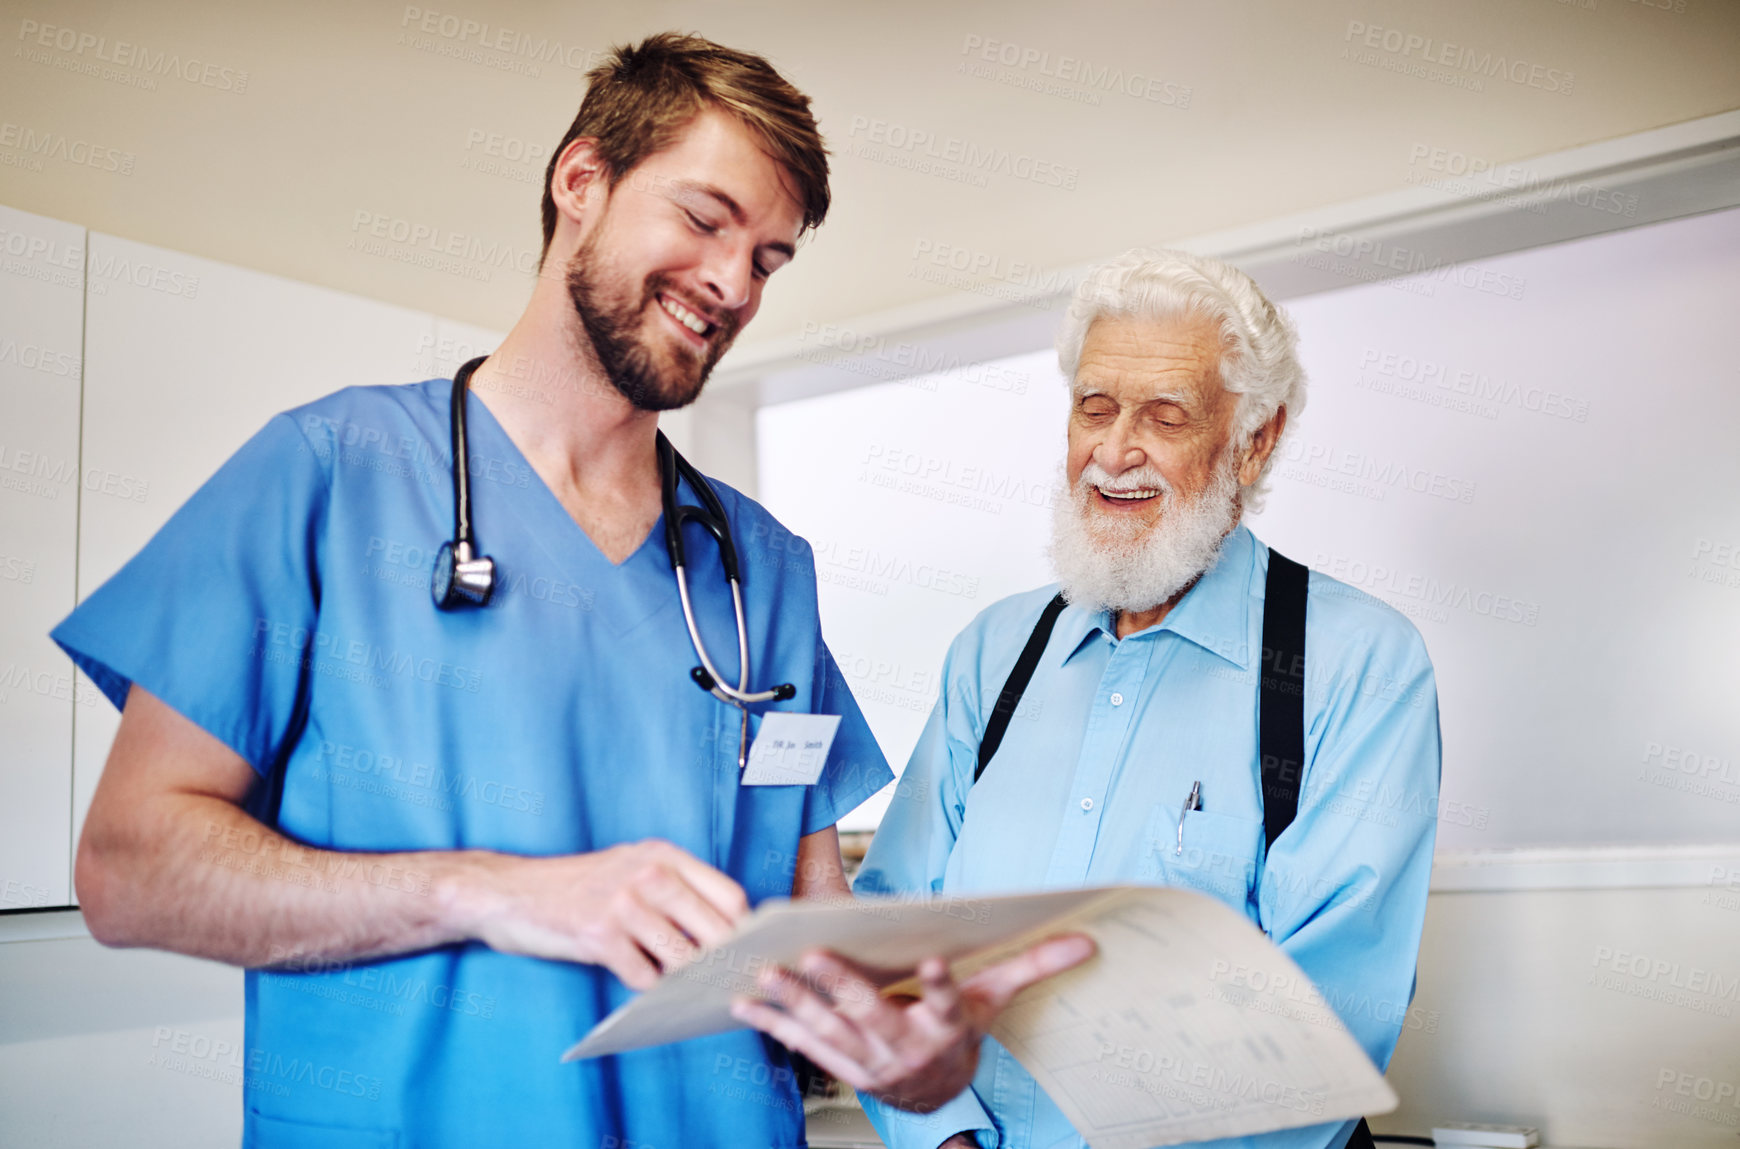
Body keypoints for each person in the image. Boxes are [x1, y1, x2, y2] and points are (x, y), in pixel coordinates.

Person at [53, 33, 1084, 1148]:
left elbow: (810, 924)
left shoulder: (762, 566)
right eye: (704, 220)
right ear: (581, 181)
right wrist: (488, 891)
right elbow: (130, 869)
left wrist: (913, 1057)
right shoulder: (328, 472)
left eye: (770, 260)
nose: (734, 285)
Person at [733, 249, 1442, 1149]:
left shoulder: (1356, 663)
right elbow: (894, 935)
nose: (1113, 453)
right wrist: (945, 1138)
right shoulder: (992, 657)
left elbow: (1333, 1012)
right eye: (1094, 408)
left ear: (1255, 438)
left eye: (1165, 416)